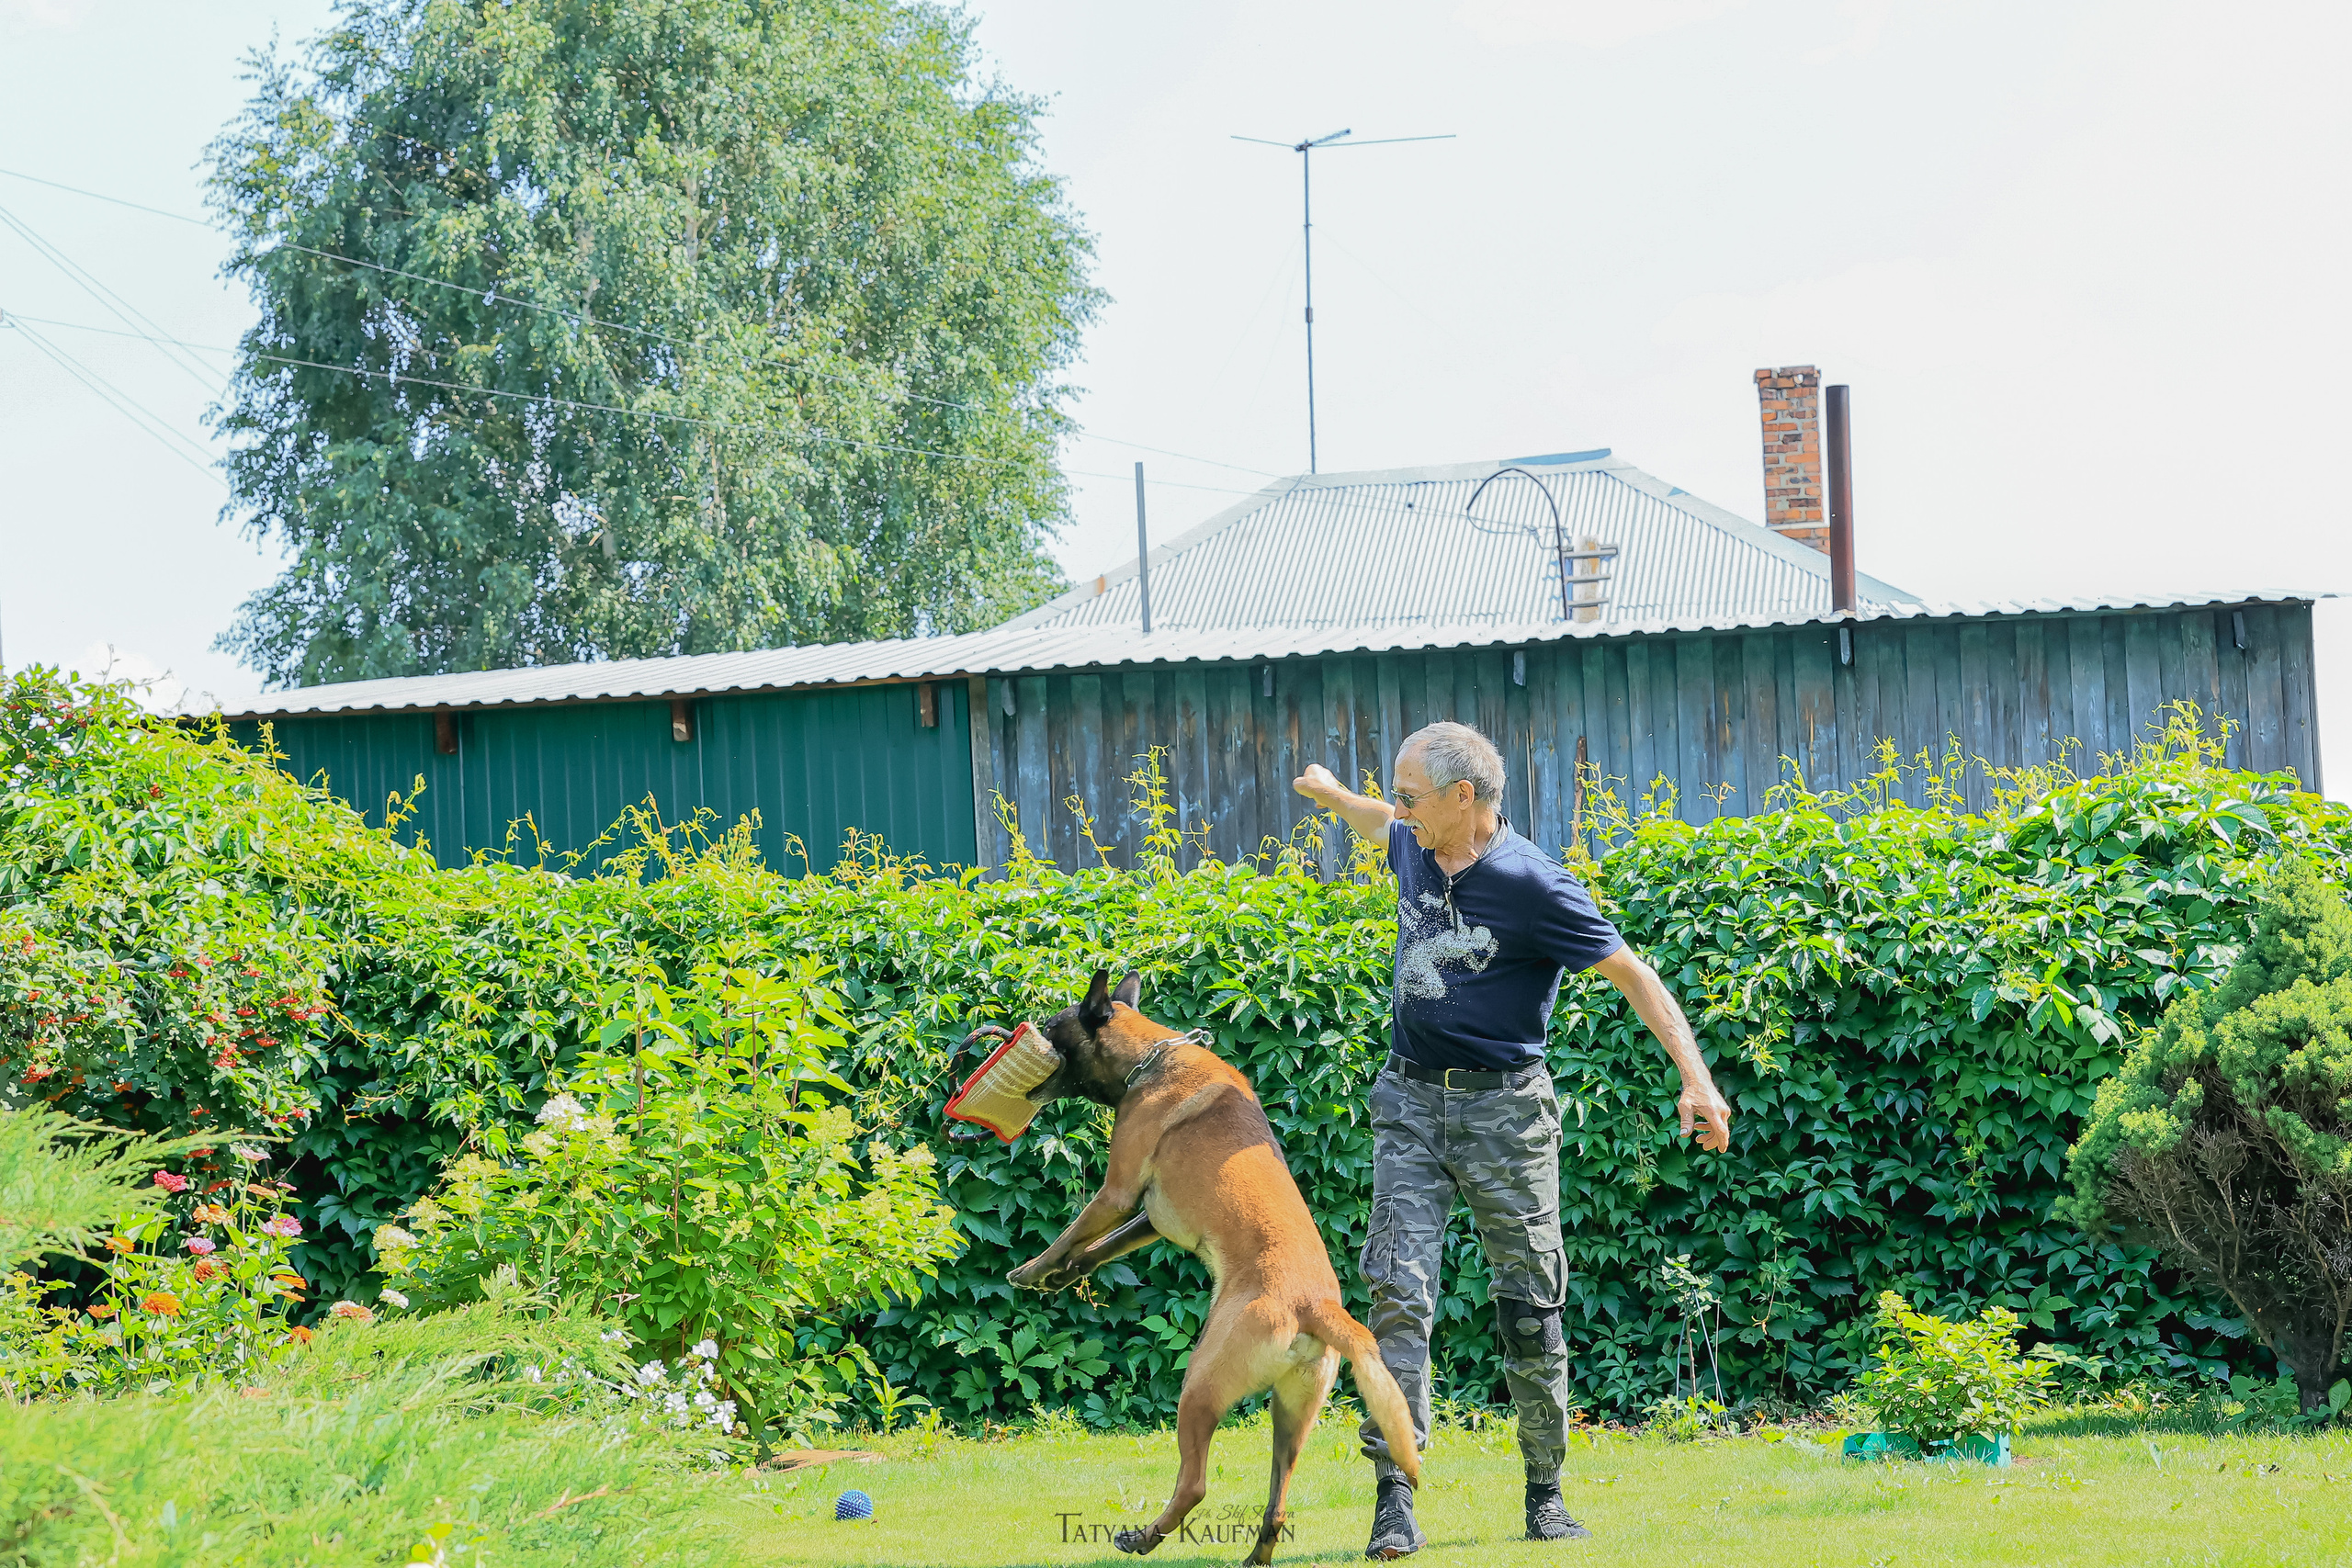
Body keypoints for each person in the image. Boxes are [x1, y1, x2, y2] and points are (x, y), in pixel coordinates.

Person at [1292, 720, 1735, 1556]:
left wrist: (1698, 1078)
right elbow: (1369, 818)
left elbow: (1634, 973)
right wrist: (1331, 793)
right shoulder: (1416, 844)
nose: (1400, 807)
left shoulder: (1535, 884)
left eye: (1411, 794)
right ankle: (1395, 1498)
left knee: (1530, 1306)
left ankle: (1545, 1493)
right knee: (1398, 1295)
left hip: (1508, 1115)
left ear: (1465, 797)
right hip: (1411, 1105)